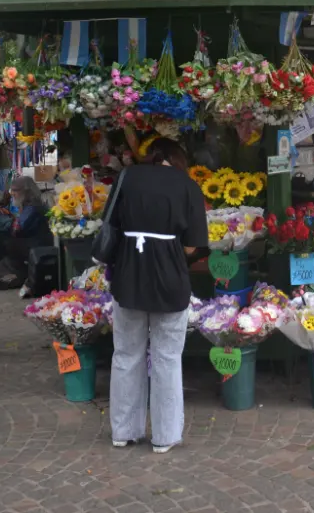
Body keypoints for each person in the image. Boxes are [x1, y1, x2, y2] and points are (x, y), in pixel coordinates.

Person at [106, 138, 208, 451]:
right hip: (170, 277)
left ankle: (122, 431)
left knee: (126, 354)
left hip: (128, 275)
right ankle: (164, 437)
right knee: (166, 358)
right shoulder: (188, 185)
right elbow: (193, 245)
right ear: (179, 160)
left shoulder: (127, 177)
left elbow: (109, 224)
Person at [0, 176, 48, 291]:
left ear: (26, 191)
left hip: (37, 244)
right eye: (12, 190)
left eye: (16, 190)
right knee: (1, 241)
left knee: (0, 244)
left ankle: (15, 276)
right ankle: (15, 275)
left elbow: (18, 229)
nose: (13, 194)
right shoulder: (29, 204)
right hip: (33, 241)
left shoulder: (32, 206)